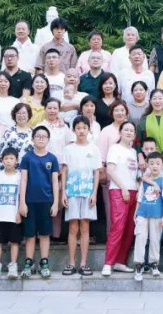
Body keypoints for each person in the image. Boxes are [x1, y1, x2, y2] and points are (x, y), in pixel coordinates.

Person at [60, 115, 102, 275]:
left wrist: (94, 193)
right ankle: (71, 263)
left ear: (89, 129)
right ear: (73, 130)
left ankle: (83, 263)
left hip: (87, 192)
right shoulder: (68, 149)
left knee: (85, 227)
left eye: (84, 128)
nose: (81, 131)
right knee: (73, 227)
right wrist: (63, 193)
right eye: (78, 128)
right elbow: (64, 171)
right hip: (71, 192)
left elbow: (96, 173)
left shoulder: (94, 149)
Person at [18, 125, 61, 278]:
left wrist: (55, 203)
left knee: (44, 234)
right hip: (29, 201)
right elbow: (23, 180)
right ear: (33, 139)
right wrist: (22, 202)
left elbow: (55, 182)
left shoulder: (52, 158)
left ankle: (44, 263)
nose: (41, 139)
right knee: (30, 235)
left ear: (48, 140)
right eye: (38, 136)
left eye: (44, 137)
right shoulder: (27, 158)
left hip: (47, 201)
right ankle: (28, 263)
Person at [102, 120, 140, 275]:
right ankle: (108, 263)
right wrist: (123, 187)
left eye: (132, 131)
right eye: (126, 130)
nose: (129, 132)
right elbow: (110, 170)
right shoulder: (115, 148)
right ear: (120, 132)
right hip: (119, 190)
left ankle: (120, 262)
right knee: (117, 227)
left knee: (130, 229)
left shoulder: (133, 152)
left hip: (134, 192)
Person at [133, 151, 163, 280]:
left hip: (157, 215)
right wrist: (136, 212)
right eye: (152, 163)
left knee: (155, 239)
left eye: (158, 163)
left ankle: (153, 264)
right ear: (148, 165)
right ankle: (139, 265)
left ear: (162, 165)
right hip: (143, 213)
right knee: (140, 238)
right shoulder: (145, 181)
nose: (155, 166)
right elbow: (140, 198)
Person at [0, 147, 21, 279]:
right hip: (0, 216)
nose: (8, 161)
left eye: (11, 158)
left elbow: (20, 196)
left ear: (16, 160)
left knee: (15, 241)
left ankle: (13, 265)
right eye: (6, 158)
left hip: (14, 216)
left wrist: (19, 213)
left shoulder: (19, 176)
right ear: (2, 160)